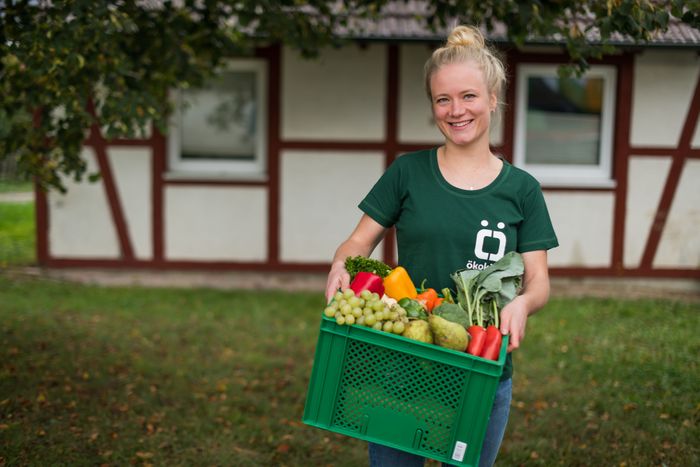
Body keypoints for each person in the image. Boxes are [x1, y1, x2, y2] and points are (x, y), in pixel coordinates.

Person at [324, 25, 559, 467]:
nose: (456, 110)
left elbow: (539, 281)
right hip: (403, 367)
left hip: (481, 370)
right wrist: (341, 265)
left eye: (469, 96)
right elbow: (359, 241)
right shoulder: (407, 173)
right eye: (442, 99)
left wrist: (524, 305)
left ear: (493, 99)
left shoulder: (522, 190)